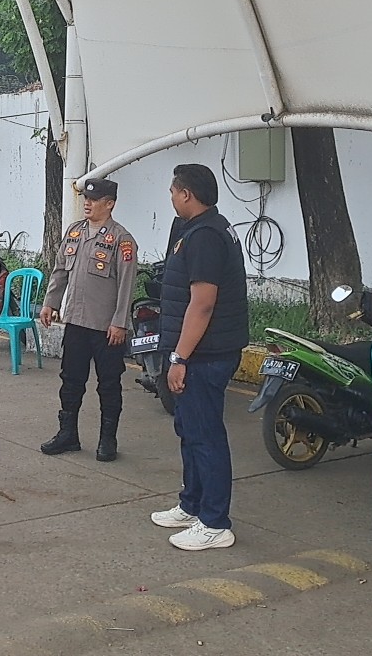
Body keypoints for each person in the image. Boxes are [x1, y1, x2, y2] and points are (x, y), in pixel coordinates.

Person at [149, 163, 249, 550]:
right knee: (190, 431)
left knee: (206, 436)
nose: (171, 198)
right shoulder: (199, 229)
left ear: (186, 194)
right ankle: (192, 504)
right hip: (200, 351)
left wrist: (179, 358)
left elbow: (203, 304)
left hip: (205, 355)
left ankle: (215, 523)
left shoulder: (206, 235)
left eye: (173, 192)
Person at [37, 178, 138, 462]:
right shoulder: (75, 232)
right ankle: (68, 434)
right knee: (70, 380)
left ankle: (108, 439)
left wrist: (120, 322)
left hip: (106, 328)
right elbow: (60, 271)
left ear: (110, 204)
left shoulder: (122, 240)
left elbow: (127, 285)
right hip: (76, 323)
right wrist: (50, 303)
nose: (87, 203)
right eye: (86, 199)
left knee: (109, 384)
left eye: (94, 200)